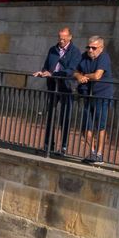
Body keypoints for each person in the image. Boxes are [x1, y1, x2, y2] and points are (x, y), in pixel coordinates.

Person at [33, 27, 81, 156]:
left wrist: (53, 74)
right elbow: (46, 66)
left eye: (64, 38)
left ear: (70, 37)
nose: (61, 40)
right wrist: (42, 72)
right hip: (53, 86)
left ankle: (63, 147)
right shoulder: (53, 50)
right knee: (50, 115)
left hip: (66, 87)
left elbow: (70, 70)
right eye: (60, 37)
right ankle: (48, 145)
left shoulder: (75, 52)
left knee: (65, 117)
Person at [73, 36, 113, 164]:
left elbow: (97, 75)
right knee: (86, 127)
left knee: (100, 126)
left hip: (101, 95)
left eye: (93, 48)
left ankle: (100, 154)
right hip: (87, 95)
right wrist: (79, 76)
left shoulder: (104, 57)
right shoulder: (84, 56)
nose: (90, 50)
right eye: (88, 47)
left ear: (101, 48)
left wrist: (84, 76)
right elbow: (75, 71)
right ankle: (93, 152)